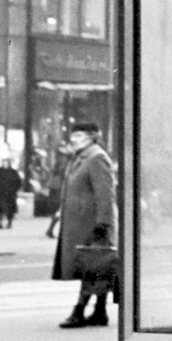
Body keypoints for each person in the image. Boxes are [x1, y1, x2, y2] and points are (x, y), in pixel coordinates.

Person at [53, 122, 117, 328]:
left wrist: (103, 223)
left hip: (92, 225)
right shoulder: (80, 158)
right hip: (82, 223)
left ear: (91, 137)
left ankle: (79, 311)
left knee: (92, 267)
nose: (73, 140)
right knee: (96, 266)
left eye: (79, 136)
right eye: (73, 136)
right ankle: (100, 311)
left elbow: (105, 194)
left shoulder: (96, 158)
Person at [0, 158, 21, 229]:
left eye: (6, 162)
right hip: (0, 193)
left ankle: (9, 222)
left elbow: (18, 182)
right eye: (4, 162)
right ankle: (0, 222)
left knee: (9, 209)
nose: (5, 164)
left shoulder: (13, 172)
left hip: (10, 194)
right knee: (0, 209)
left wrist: (14, 189)